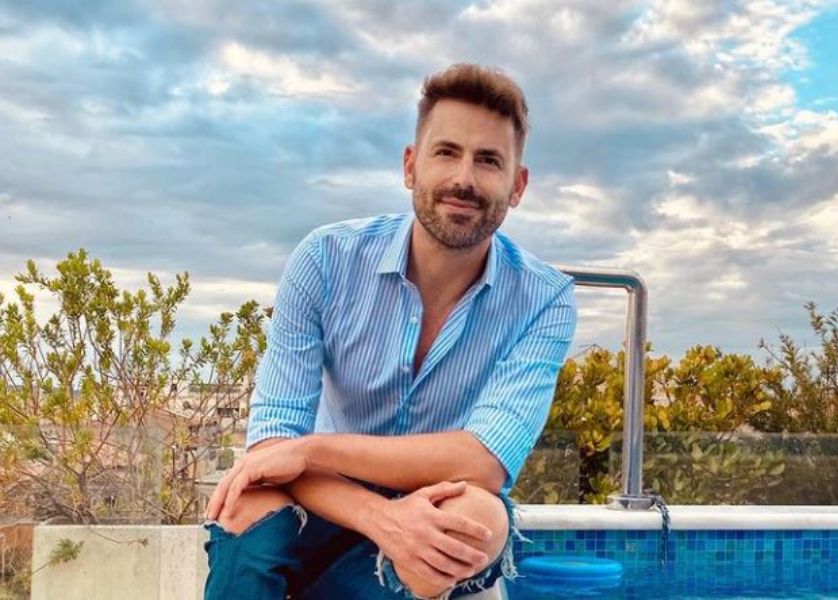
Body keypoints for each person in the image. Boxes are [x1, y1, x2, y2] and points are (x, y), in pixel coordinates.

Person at [203, 63, 577, 599]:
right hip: (323, 498)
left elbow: (483, 461)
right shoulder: (325, 259)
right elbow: (273, 445)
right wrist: (379, 517)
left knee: (477, 515)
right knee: (247, 500)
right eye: (446, 152)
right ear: (410, 166)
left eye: (488, 160)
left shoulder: (545, 299)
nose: (464, 179)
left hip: (431, 509)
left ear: (517, 186)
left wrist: (313, 450)